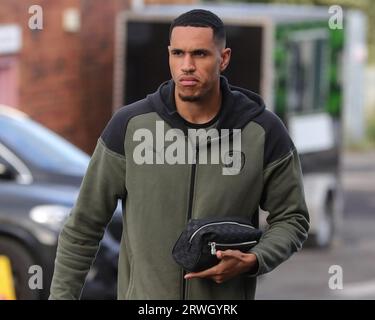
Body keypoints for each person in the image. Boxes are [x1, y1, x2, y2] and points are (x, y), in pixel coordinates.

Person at [50, 9, 309, 300]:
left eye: (200, 54)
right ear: (169, 56)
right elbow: (83, 226)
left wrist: (256, 259)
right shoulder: (130, 127)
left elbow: (292, 218)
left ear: (223, 59)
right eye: (178, 53)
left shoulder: (262, 131)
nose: (187, 66)